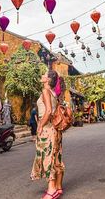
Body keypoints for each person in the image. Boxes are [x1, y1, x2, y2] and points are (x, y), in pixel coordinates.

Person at [31, 70, 65, 199]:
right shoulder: (53, 93)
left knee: (47, 157)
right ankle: (57, 187)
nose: (42, 75)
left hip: (47, 128)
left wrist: (39, 126)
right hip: (55, 129)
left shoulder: (45, 91)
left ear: (48, 79)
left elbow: (49, 111)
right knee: (56, 156)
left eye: (44, 74)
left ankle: (51, 190)